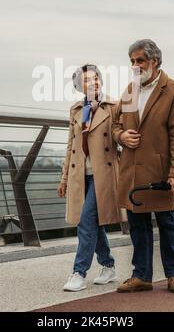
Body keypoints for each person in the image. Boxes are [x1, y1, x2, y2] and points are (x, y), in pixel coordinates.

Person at [112, 39, 174, 294]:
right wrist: (121, 136)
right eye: (132, 61)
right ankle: (141, 276)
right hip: (133, 172)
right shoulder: (130, 91)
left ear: (154, 61)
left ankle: (173, 275)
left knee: (167, 224)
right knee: (138, 225)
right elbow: (114, 124)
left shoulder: (173, 90)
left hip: (160, 172)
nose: (135, 65)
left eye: (140, 60)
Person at [58, 64, 121, 292]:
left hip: (103, 174)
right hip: (80, 174)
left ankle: (79, 272)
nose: (93, 83)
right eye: (87, 80)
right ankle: (108, 265)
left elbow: (120, 136)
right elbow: (70, 146)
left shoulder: (114, 106)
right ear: (79, 86)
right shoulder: (76, 110)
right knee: (94, 222)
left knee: (86, 221)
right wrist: (64, 178)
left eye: (95, 78)